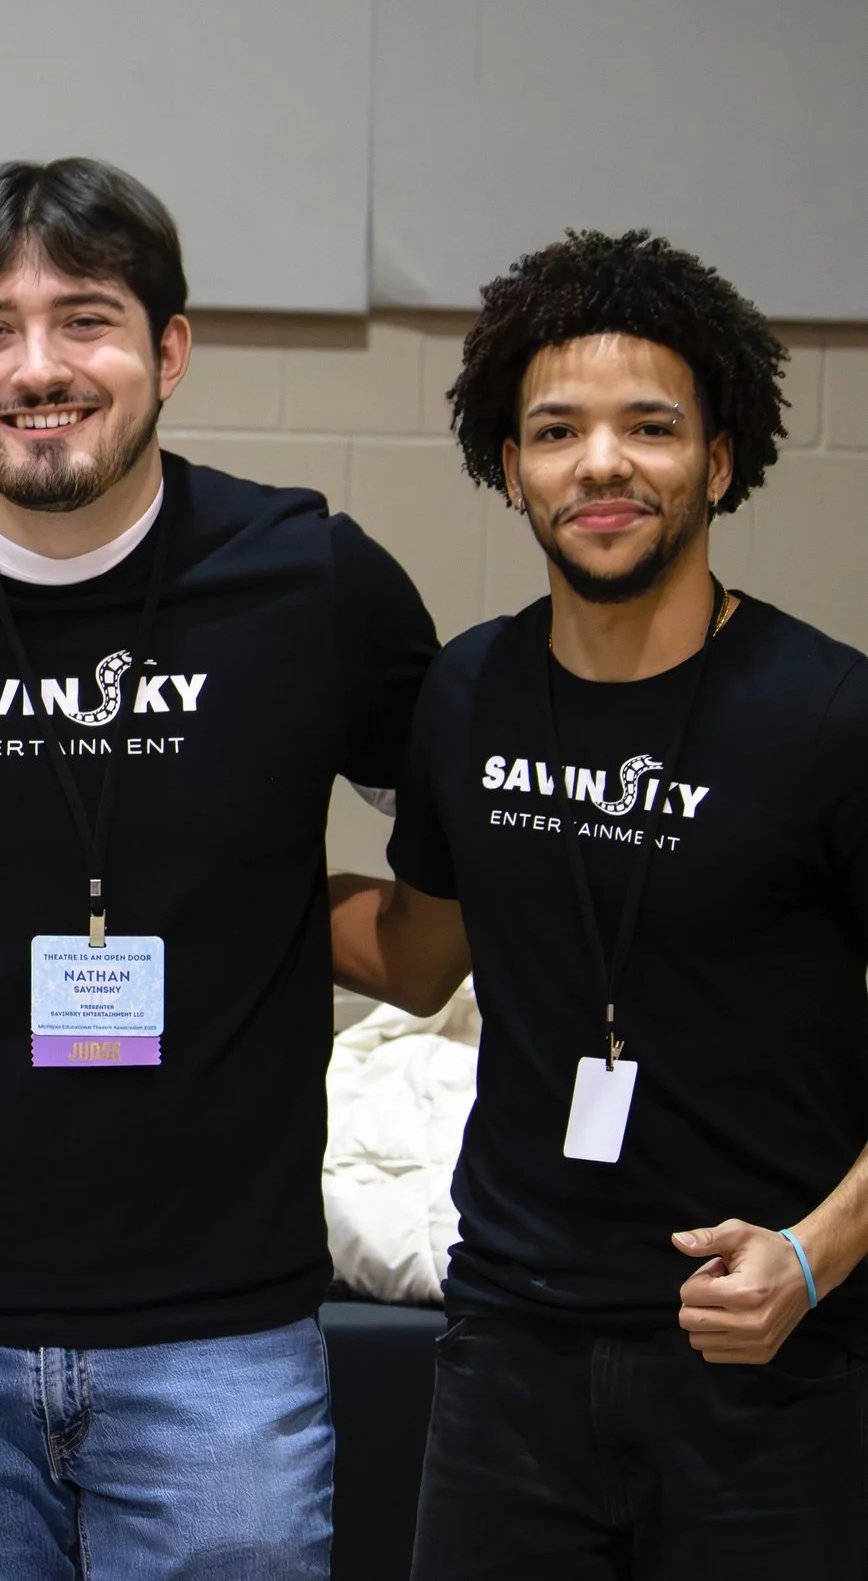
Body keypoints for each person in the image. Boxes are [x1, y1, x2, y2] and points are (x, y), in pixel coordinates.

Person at [0, 158, 440, 1580]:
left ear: (170, 350)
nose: (38, 366)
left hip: (220, 1336)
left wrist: (272, 920)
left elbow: (449, 887)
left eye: (87, 318)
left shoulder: (312, 580)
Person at [332, 230, 868, 1577]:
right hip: (512, 1342)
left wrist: (815, 1254)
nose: (604, 462)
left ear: (722, 457)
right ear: (509, 468)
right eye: (558, 429)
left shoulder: (828, 714)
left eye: (651, 425)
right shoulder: (467, 693)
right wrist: (205, 876)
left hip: (767, 1350)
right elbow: (417, 948)